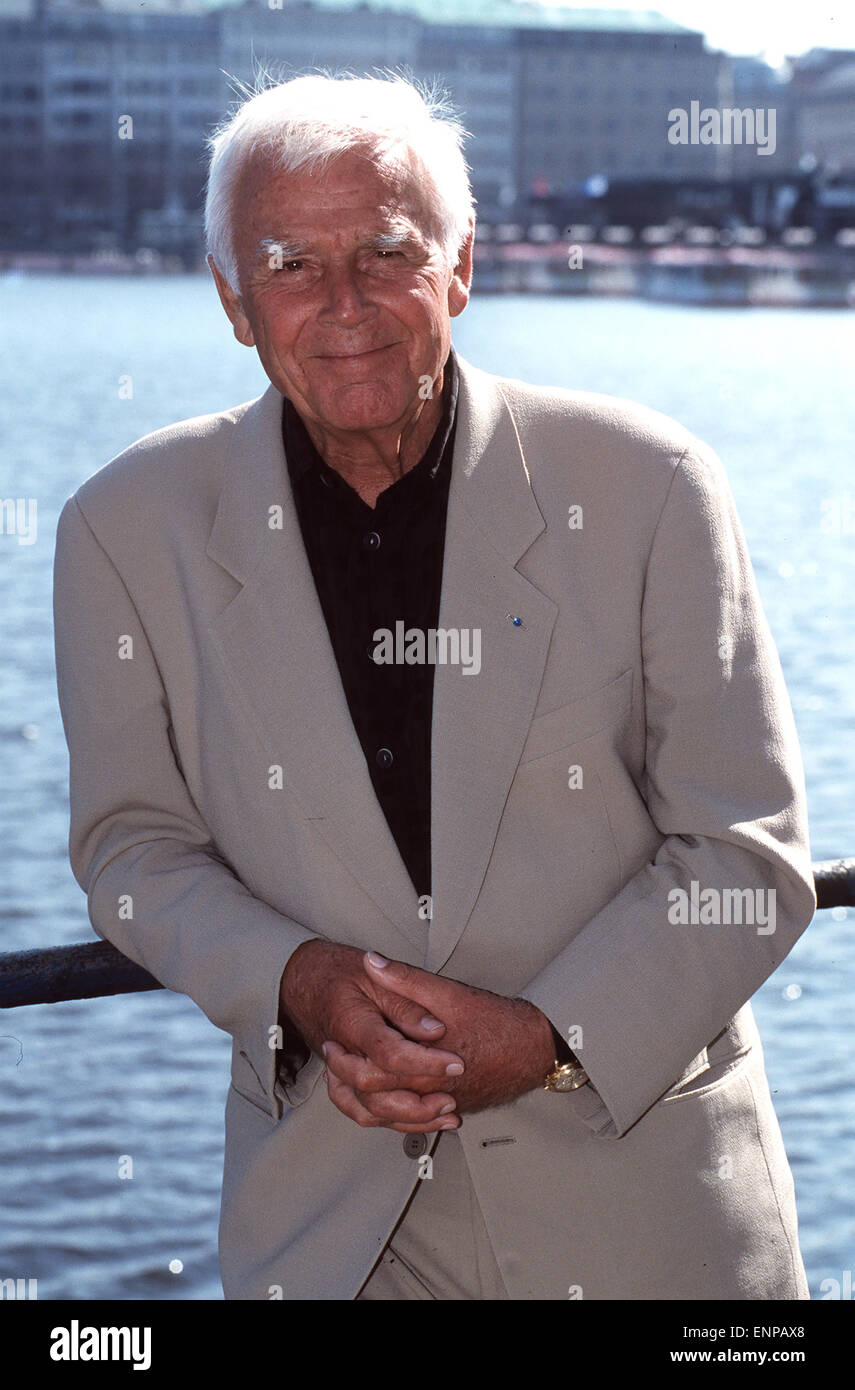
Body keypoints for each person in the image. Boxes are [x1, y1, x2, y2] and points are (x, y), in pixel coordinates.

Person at [53, 73, 816, 1301]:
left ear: (461, 267)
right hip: (330, 1233)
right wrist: (295, 982)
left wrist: (548, 1041)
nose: (343, 304)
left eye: (387, 251)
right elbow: (132, 849)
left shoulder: (651, 484)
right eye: (290, 262)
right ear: (233, 302)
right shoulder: (121, 527)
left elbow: (746, 854)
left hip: (648, 1225)